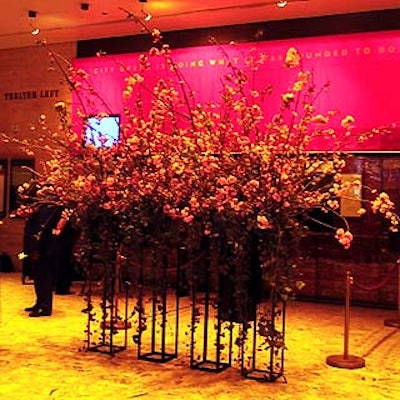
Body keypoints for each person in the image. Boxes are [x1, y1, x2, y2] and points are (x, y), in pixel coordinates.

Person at [24, 203, 64, 317]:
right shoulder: (42, 207)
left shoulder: (58, 209)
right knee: (38, 277)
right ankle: (39, 302)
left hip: (47, 247)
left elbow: (55, 229)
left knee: (45, 278)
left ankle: (45, 307)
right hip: (38, 246)